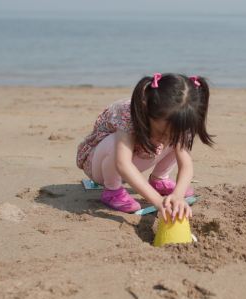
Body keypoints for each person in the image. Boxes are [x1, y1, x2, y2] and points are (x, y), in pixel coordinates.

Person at [76, 73, 213, 220]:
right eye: (161, 132)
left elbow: (186, 164)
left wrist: (178, 196)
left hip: (139, 156)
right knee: (115, 142)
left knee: (179, 138)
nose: (165, 139)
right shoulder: (127, 113)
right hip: (99, 164)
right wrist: (157, 201)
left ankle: (159, 180)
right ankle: (112, 190)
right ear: (146, 109)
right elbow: (123, 164)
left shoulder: (178, 121)